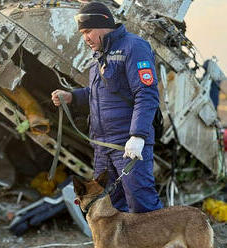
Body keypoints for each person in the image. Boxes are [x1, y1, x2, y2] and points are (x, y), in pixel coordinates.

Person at [51, 1, 162, 213]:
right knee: (109, 209)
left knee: (142, 205)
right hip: (102, 147)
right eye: (83, 33)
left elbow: (146, 93)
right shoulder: (99, 56)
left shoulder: (134, 47)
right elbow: (97, 94)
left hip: (126, 145)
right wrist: (72, 97)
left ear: (104, 24)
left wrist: (138, 136)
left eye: (88, 31)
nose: (86, 38)